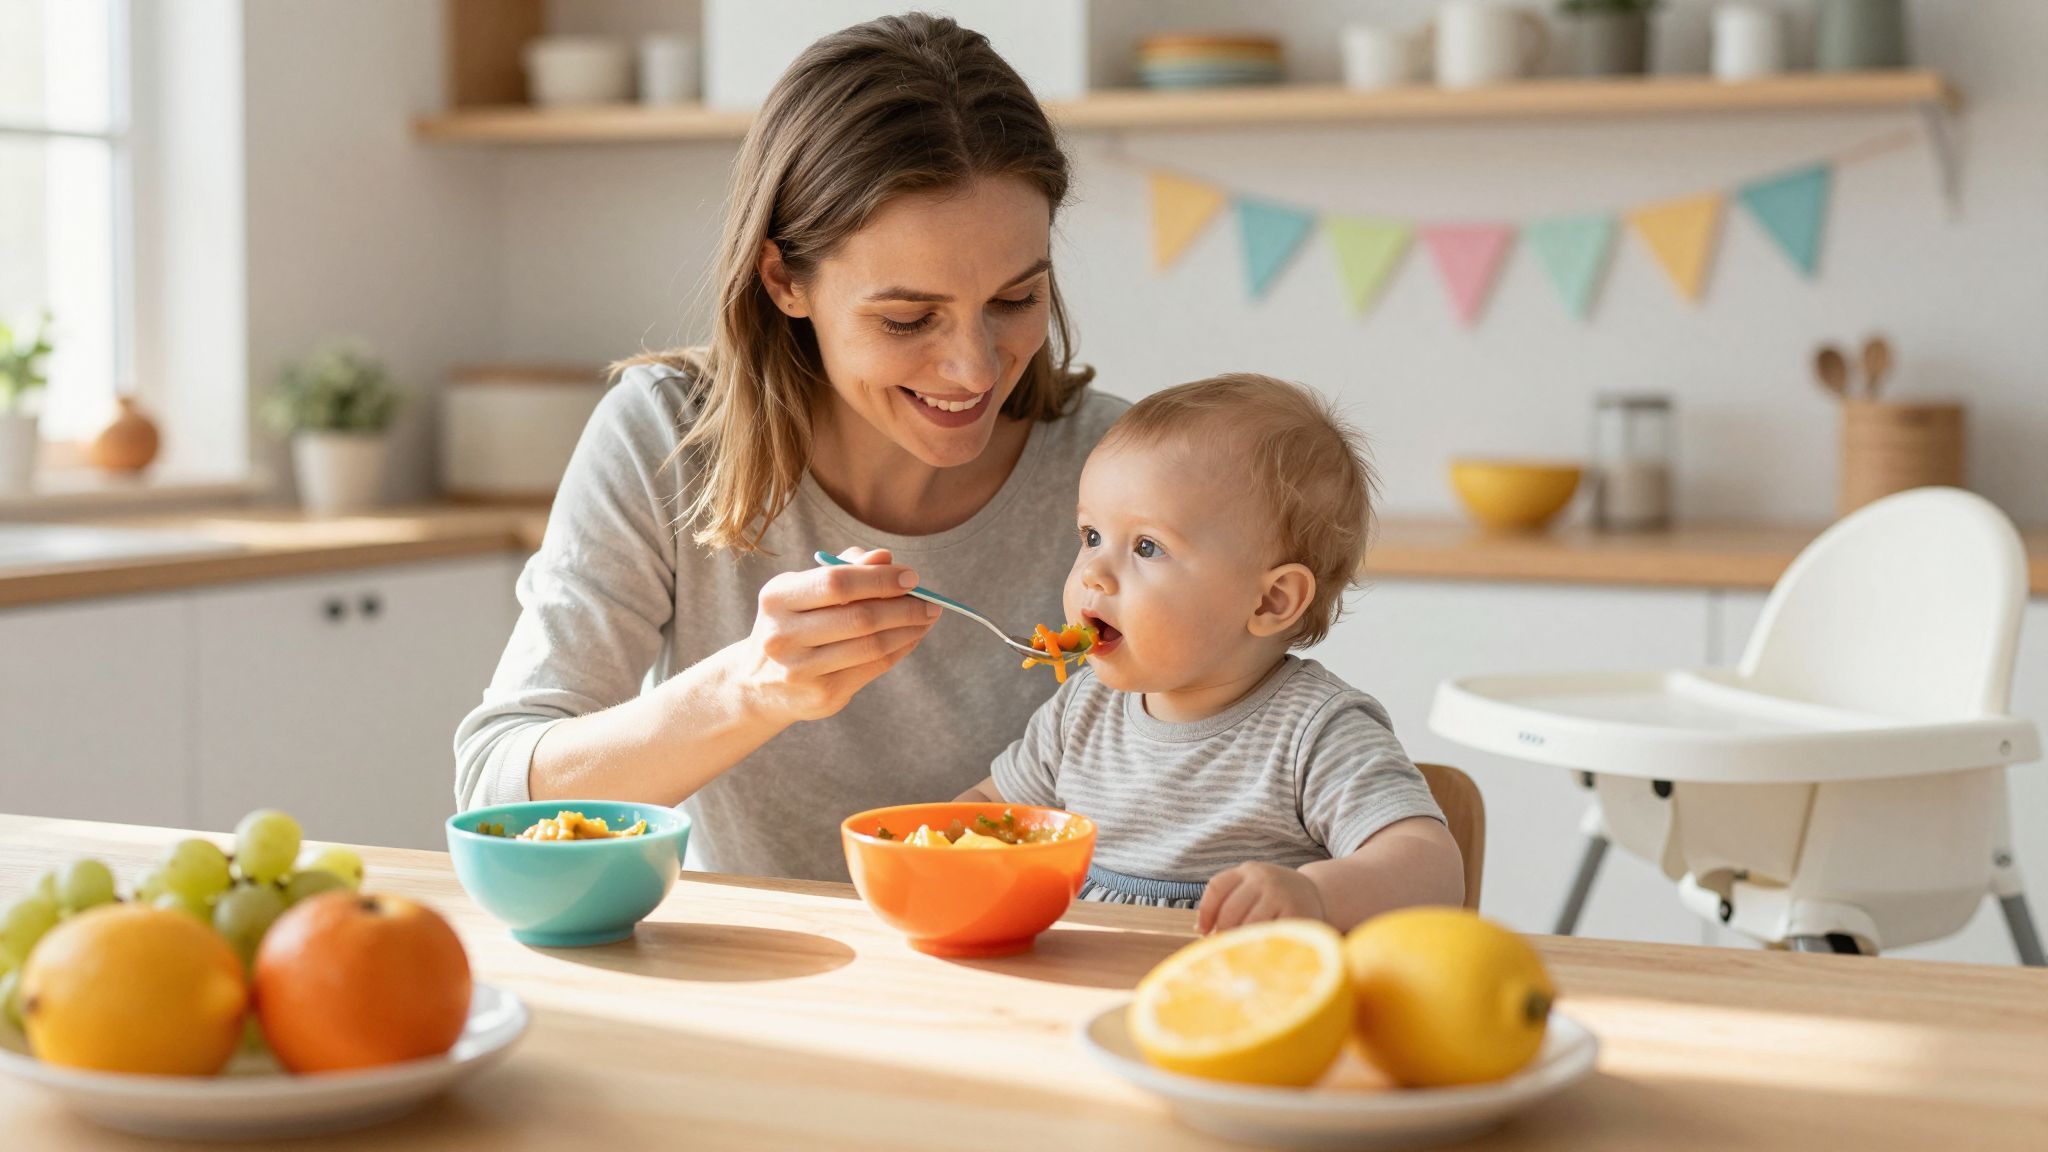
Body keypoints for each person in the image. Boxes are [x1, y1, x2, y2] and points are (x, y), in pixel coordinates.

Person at [453, 14, 1124, 882]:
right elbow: (496, 793)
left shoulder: (1114, 472)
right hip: (748, 981)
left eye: (1014, 300)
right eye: (907, 317)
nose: (973, 365)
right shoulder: (667, 436)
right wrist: (748, 689)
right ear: (783, 280)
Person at [958, 375, 1466, 932]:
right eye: (1091, 536)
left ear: (1272, 600)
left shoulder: (1314, 732)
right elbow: (992, 808)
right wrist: (926, 846)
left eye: (1147, 547)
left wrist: (1314, 896)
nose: (1093, 575)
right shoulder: (1081, 709)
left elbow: (1430, 866)